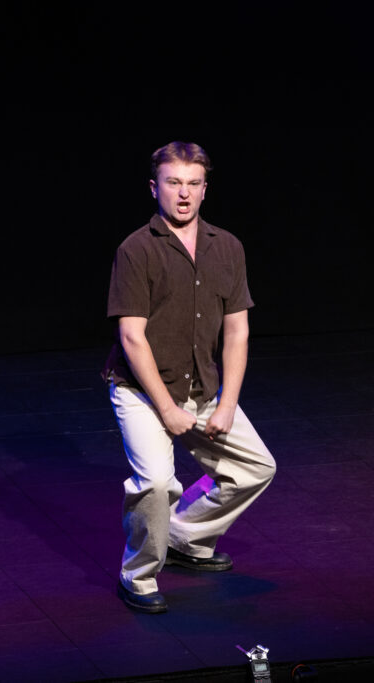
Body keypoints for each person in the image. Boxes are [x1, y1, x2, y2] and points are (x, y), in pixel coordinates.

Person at [103, 141, 276, 614]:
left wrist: (225, 403)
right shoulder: (137, 249)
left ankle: (183, 537)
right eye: (174, 183)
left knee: (255, 468)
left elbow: (237, 331)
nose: (184, 194)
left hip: (202, 389)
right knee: (157, 483)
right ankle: (137, 574)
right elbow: (132, 337)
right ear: (154, 187)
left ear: (205, 190)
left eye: (193, 184)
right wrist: (166, 411)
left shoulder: (228, 247)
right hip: (144, 391)